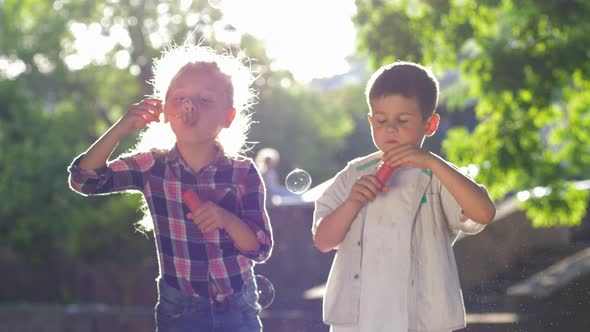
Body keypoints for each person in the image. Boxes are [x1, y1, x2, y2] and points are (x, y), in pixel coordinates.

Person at [68, 39, 273, 332]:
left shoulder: (242, 172)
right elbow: (83, 180)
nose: (189, 107)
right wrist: (123, 125)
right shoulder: (152, 167)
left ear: (228, 118)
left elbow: (260, 248)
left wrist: (226, 219)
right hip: (180, 312)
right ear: (165, 111)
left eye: (204, 101)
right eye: (180, 99)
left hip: (237, 308)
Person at [312, 61, 496, 332]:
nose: (390, 130)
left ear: (430, 124)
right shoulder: (353, 174)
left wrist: (433, 163)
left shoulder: (439, 175)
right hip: (361, 320)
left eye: (403, 120)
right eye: (381, 120)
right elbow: (323, 241)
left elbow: (484, 213)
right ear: (370, 121)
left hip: (422, 320)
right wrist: (352, 203)